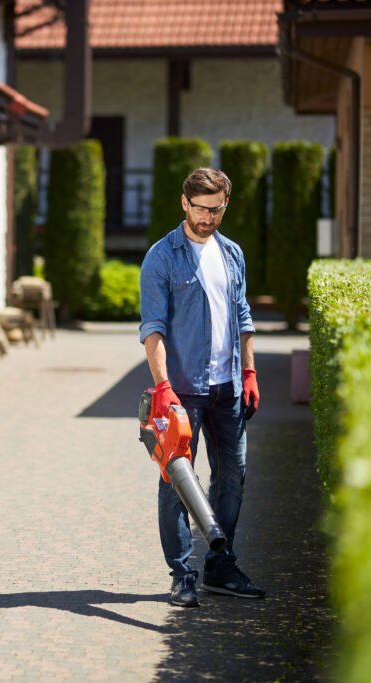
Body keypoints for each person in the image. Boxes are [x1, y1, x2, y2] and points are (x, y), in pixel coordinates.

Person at [138, 167, 264, 608]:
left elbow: (243, 316)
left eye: (217, 209)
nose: (208, 217)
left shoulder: (231, 253)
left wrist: (249, 372)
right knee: (177, 482)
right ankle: (182, 575)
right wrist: (163, 387)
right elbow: (153, 329)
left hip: (228, 386)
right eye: (201, 208)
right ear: (184, 203)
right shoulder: (162, 257)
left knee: (232, 477)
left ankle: (220, 567)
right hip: (183, 391)